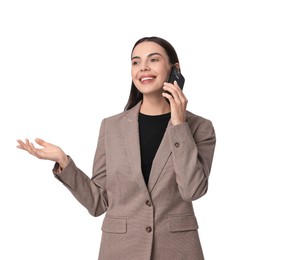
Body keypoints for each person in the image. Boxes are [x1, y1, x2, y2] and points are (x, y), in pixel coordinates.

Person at [16, 36, 216, 260]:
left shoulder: (200, 128)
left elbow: (192, 190)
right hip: (121, 249)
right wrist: (64, 161)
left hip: (176, 250)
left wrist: (179, 125)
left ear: (174, 69)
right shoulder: (111, 127)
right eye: (136, 62)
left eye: (154, 59)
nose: (144, 68)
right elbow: (98, 203)